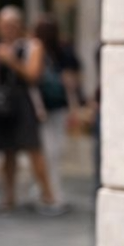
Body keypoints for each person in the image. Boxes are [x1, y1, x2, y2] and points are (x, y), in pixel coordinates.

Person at [0, 5, 66, 216]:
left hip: (25, 104)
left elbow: (33, 75)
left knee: (33, 149)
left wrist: (11, 61)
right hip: (3, 105)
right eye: (4, 25)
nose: (8, 29)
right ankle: (9, 197)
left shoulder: (32, 46)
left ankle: (49, 196)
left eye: (12, 24)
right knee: (8, 152)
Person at [31, 12, 84, 211]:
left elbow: (73, 77)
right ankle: (47, 191)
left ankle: (49, 190)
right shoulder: (34, 50)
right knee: (48, 151)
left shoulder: (62, 51)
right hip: (41, 107)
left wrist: (74, 106)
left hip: (56, 106)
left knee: (54, 151)